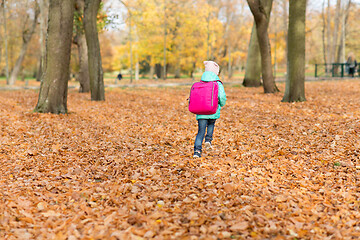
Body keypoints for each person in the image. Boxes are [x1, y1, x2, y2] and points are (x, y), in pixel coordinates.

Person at [193, 61, 227, 158]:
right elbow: (222, 96)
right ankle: (208, 140)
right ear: (216, 72)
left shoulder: (200, 83)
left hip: (201, 112)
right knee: (211, 124)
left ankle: (197, 151)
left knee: (200, 131)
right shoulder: (217, 83)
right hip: (213, 110)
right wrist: (222, 103)